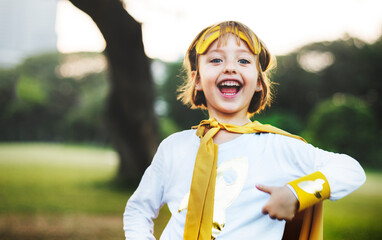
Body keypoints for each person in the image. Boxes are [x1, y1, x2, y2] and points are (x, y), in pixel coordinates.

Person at [123, 21, 366, 240]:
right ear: (197, 80)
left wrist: (296, 193)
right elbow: (139, 210)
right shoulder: (174, 147)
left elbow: (350, 170)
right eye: (216, 60)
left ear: (259, 82)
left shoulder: (278, 147)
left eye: (243, 60)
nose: (230, 68)